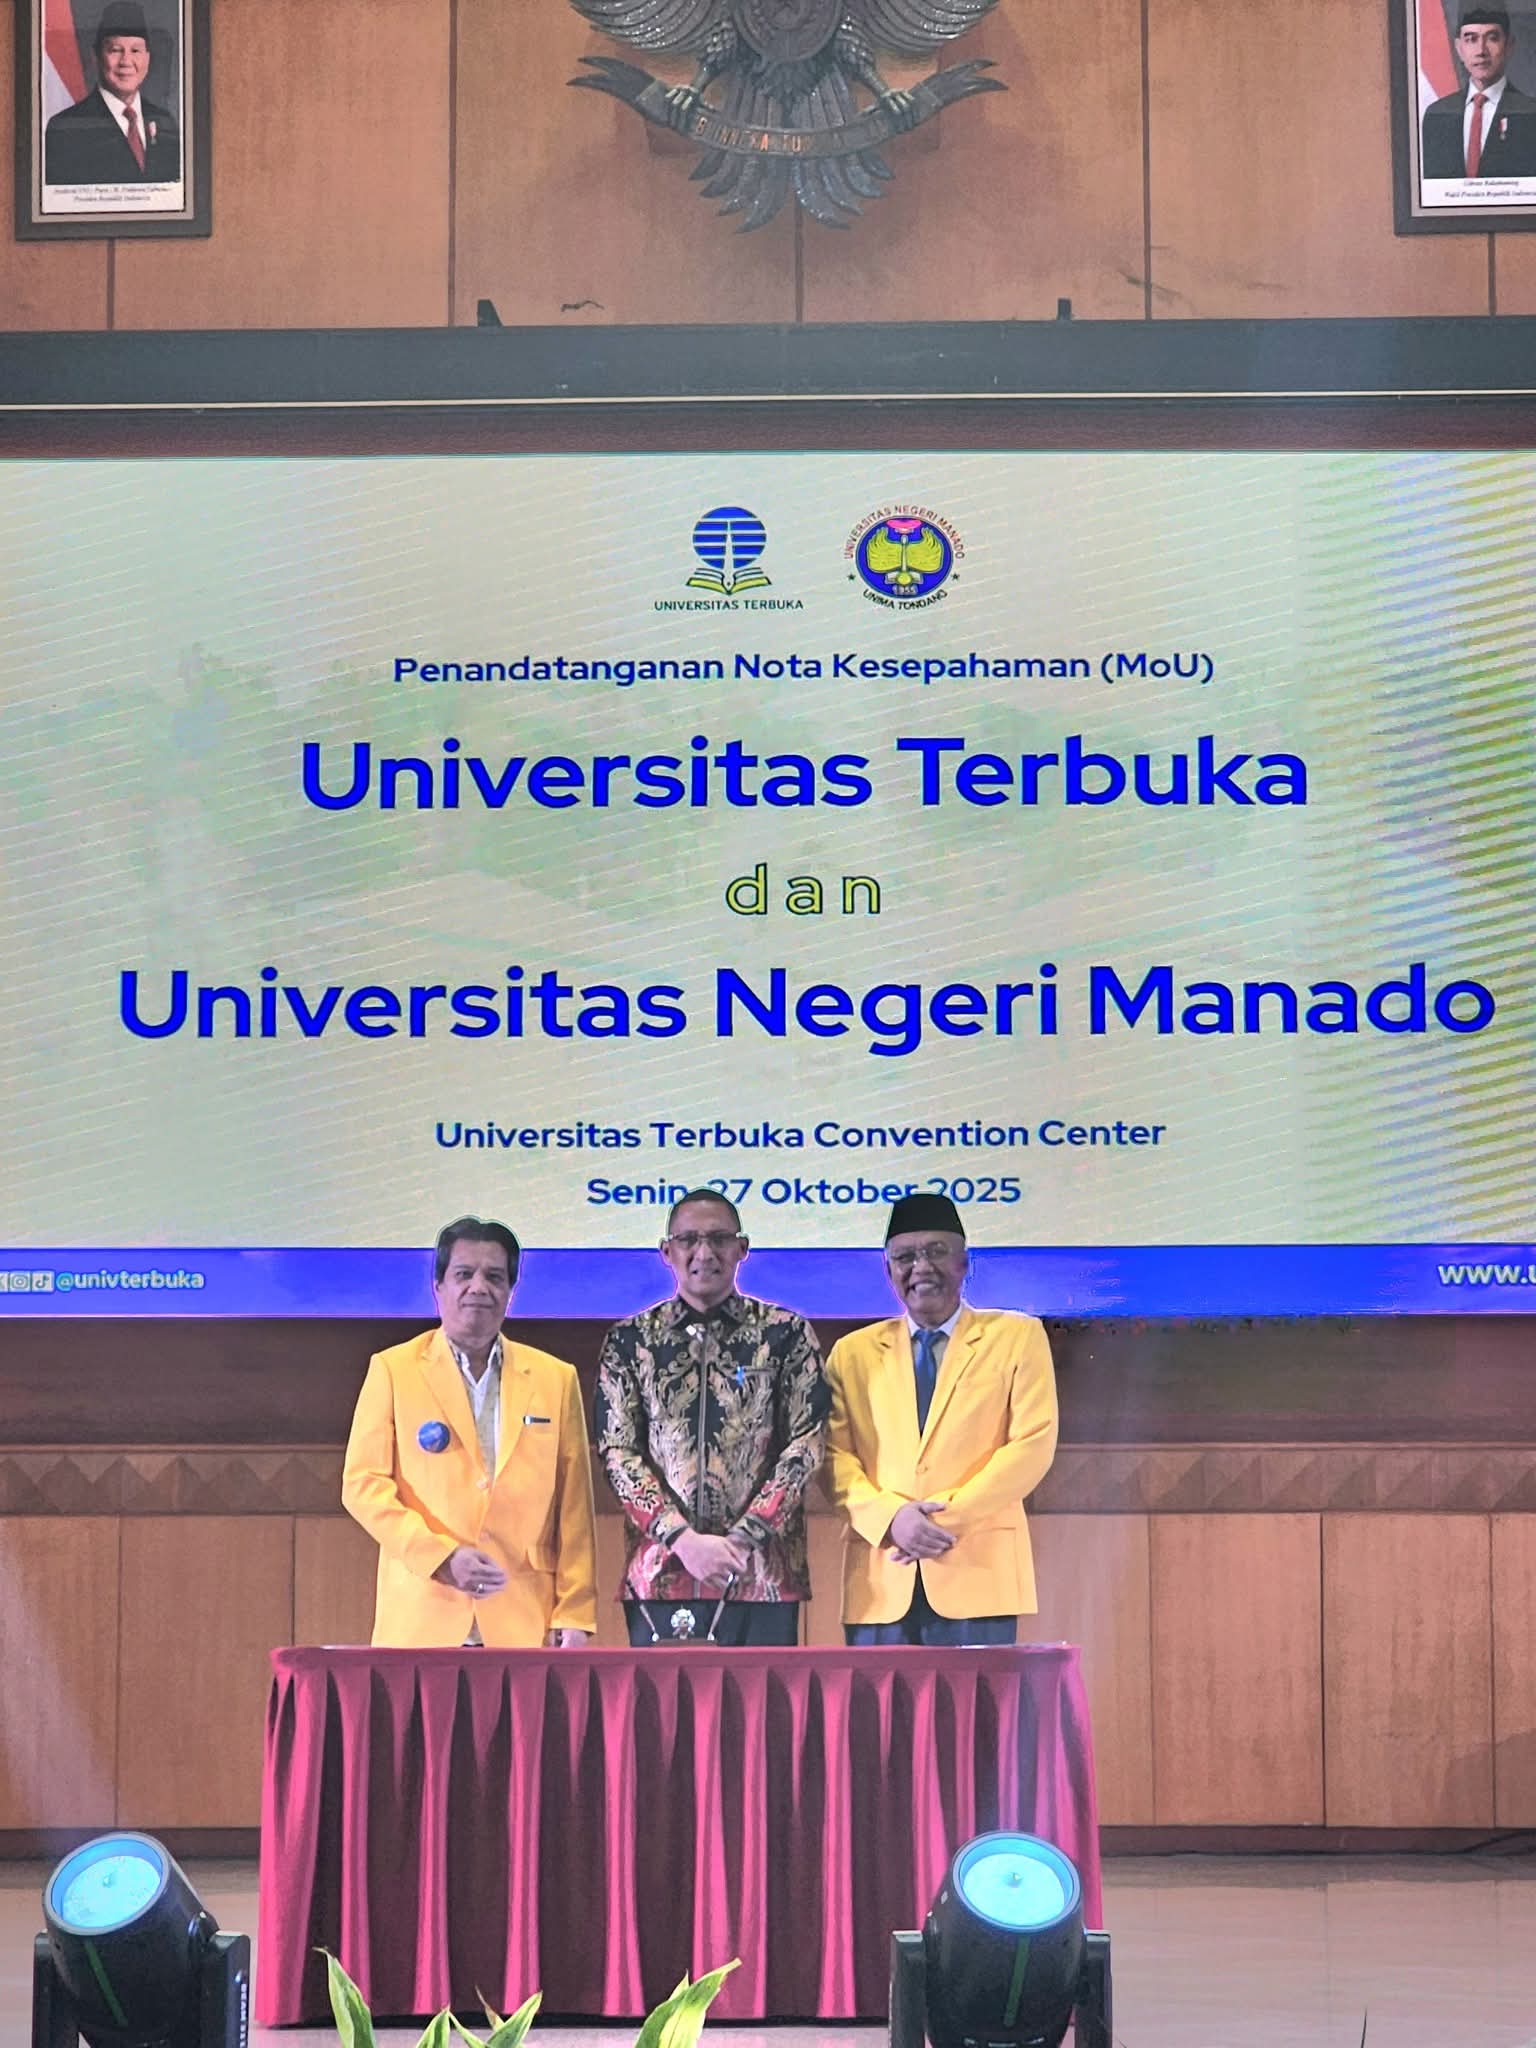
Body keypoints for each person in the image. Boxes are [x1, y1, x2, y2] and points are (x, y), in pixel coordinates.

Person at [342, 1215, 597, 1647]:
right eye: (464, 1274)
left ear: (511, 1291)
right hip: (423, 1617)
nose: (479, 1287)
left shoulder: (556, 1378)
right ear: (438, 1286)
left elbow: (574, 1508)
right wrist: (441, 1558)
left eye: (494, 1277)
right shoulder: (393, 1370)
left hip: (524, 1620)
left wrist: (575, 1613)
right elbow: (362, 1486)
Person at [822, 1193, 1057, 1646]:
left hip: (978, 1572)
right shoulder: (852, 1353)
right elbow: (832, 1458)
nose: (921, 1268)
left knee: (978, 1696)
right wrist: (892, 1520)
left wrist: (940, 1522)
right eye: (905, 1257)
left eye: (936, 1252)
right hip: (881, 1580)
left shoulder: (1017, 1336)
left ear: (964, 1262)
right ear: (888, 1270)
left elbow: (1032, 1445)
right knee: (880, 1697)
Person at [595, 1189, 828, 1645]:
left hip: (762, 1577)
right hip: (662, 1573)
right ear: (667, 1252)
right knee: (664, 1696)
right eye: (689, 1240)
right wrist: (683, 1540)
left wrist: (741, 1540)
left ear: (742, 1248)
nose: (704, 1253)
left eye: (719, 1239)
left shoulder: (785, 1334)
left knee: (763, 1696)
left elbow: (806, 1445)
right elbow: (618, 1453)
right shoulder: (630, 1341)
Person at [44, 2, 181, 186]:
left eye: (135, 50)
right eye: (115, 50)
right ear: (96, 57)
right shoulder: (65, 127)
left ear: (147, 58)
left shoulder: (164, 122)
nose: (126, 61)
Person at [1421, 7, 1536, 179]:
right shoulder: (1436, 115)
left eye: (1492, 38)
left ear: (1509, 46)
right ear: (1459, 48)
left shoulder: (1531, 114)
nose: (1481, 51)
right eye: (1471, 39)